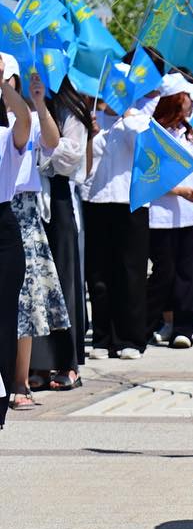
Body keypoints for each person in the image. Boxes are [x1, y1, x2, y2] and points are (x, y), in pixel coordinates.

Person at [83, 49, 162, 360]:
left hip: (131, 203)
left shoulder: (141, 116)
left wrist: (126, 112)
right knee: (99, 274)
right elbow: (90, 160)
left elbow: (142, 147)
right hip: (98, 199)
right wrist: (95, 127)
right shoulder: (96, 117)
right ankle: (102, 337)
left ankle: (130, 338)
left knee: (130, 271)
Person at [31, 76, 94, 391]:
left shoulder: (71, 107)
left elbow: (69, 157)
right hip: (27, 199)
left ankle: (67, 363)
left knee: (64, 281)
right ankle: (36, 363)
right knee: (35, 286)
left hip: (58, 200)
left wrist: (40, 150)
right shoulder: (19, 101)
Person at [10, 69, 67, 409]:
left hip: (24, 213)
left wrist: (39, 103)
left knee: (27, 302)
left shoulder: (27, 117)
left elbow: (52, 141)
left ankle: (20, 381)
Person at [146, 73, 193, 350]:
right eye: (186, 97)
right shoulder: (153, 132)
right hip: (161, 215)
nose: (191, 103)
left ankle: (184, 327)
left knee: (186, 273)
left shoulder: (191, 131)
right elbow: (149, 175)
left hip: (190, 216)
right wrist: (180, 192)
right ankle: (149, 323)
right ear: (175, 99)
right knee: (164, 273)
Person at [0, 55, 34, 427]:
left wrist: (1, 85)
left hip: (2, 229)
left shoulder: (8, 132)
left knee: (3, 319)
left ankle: (3, 390)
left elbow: (24, 119)